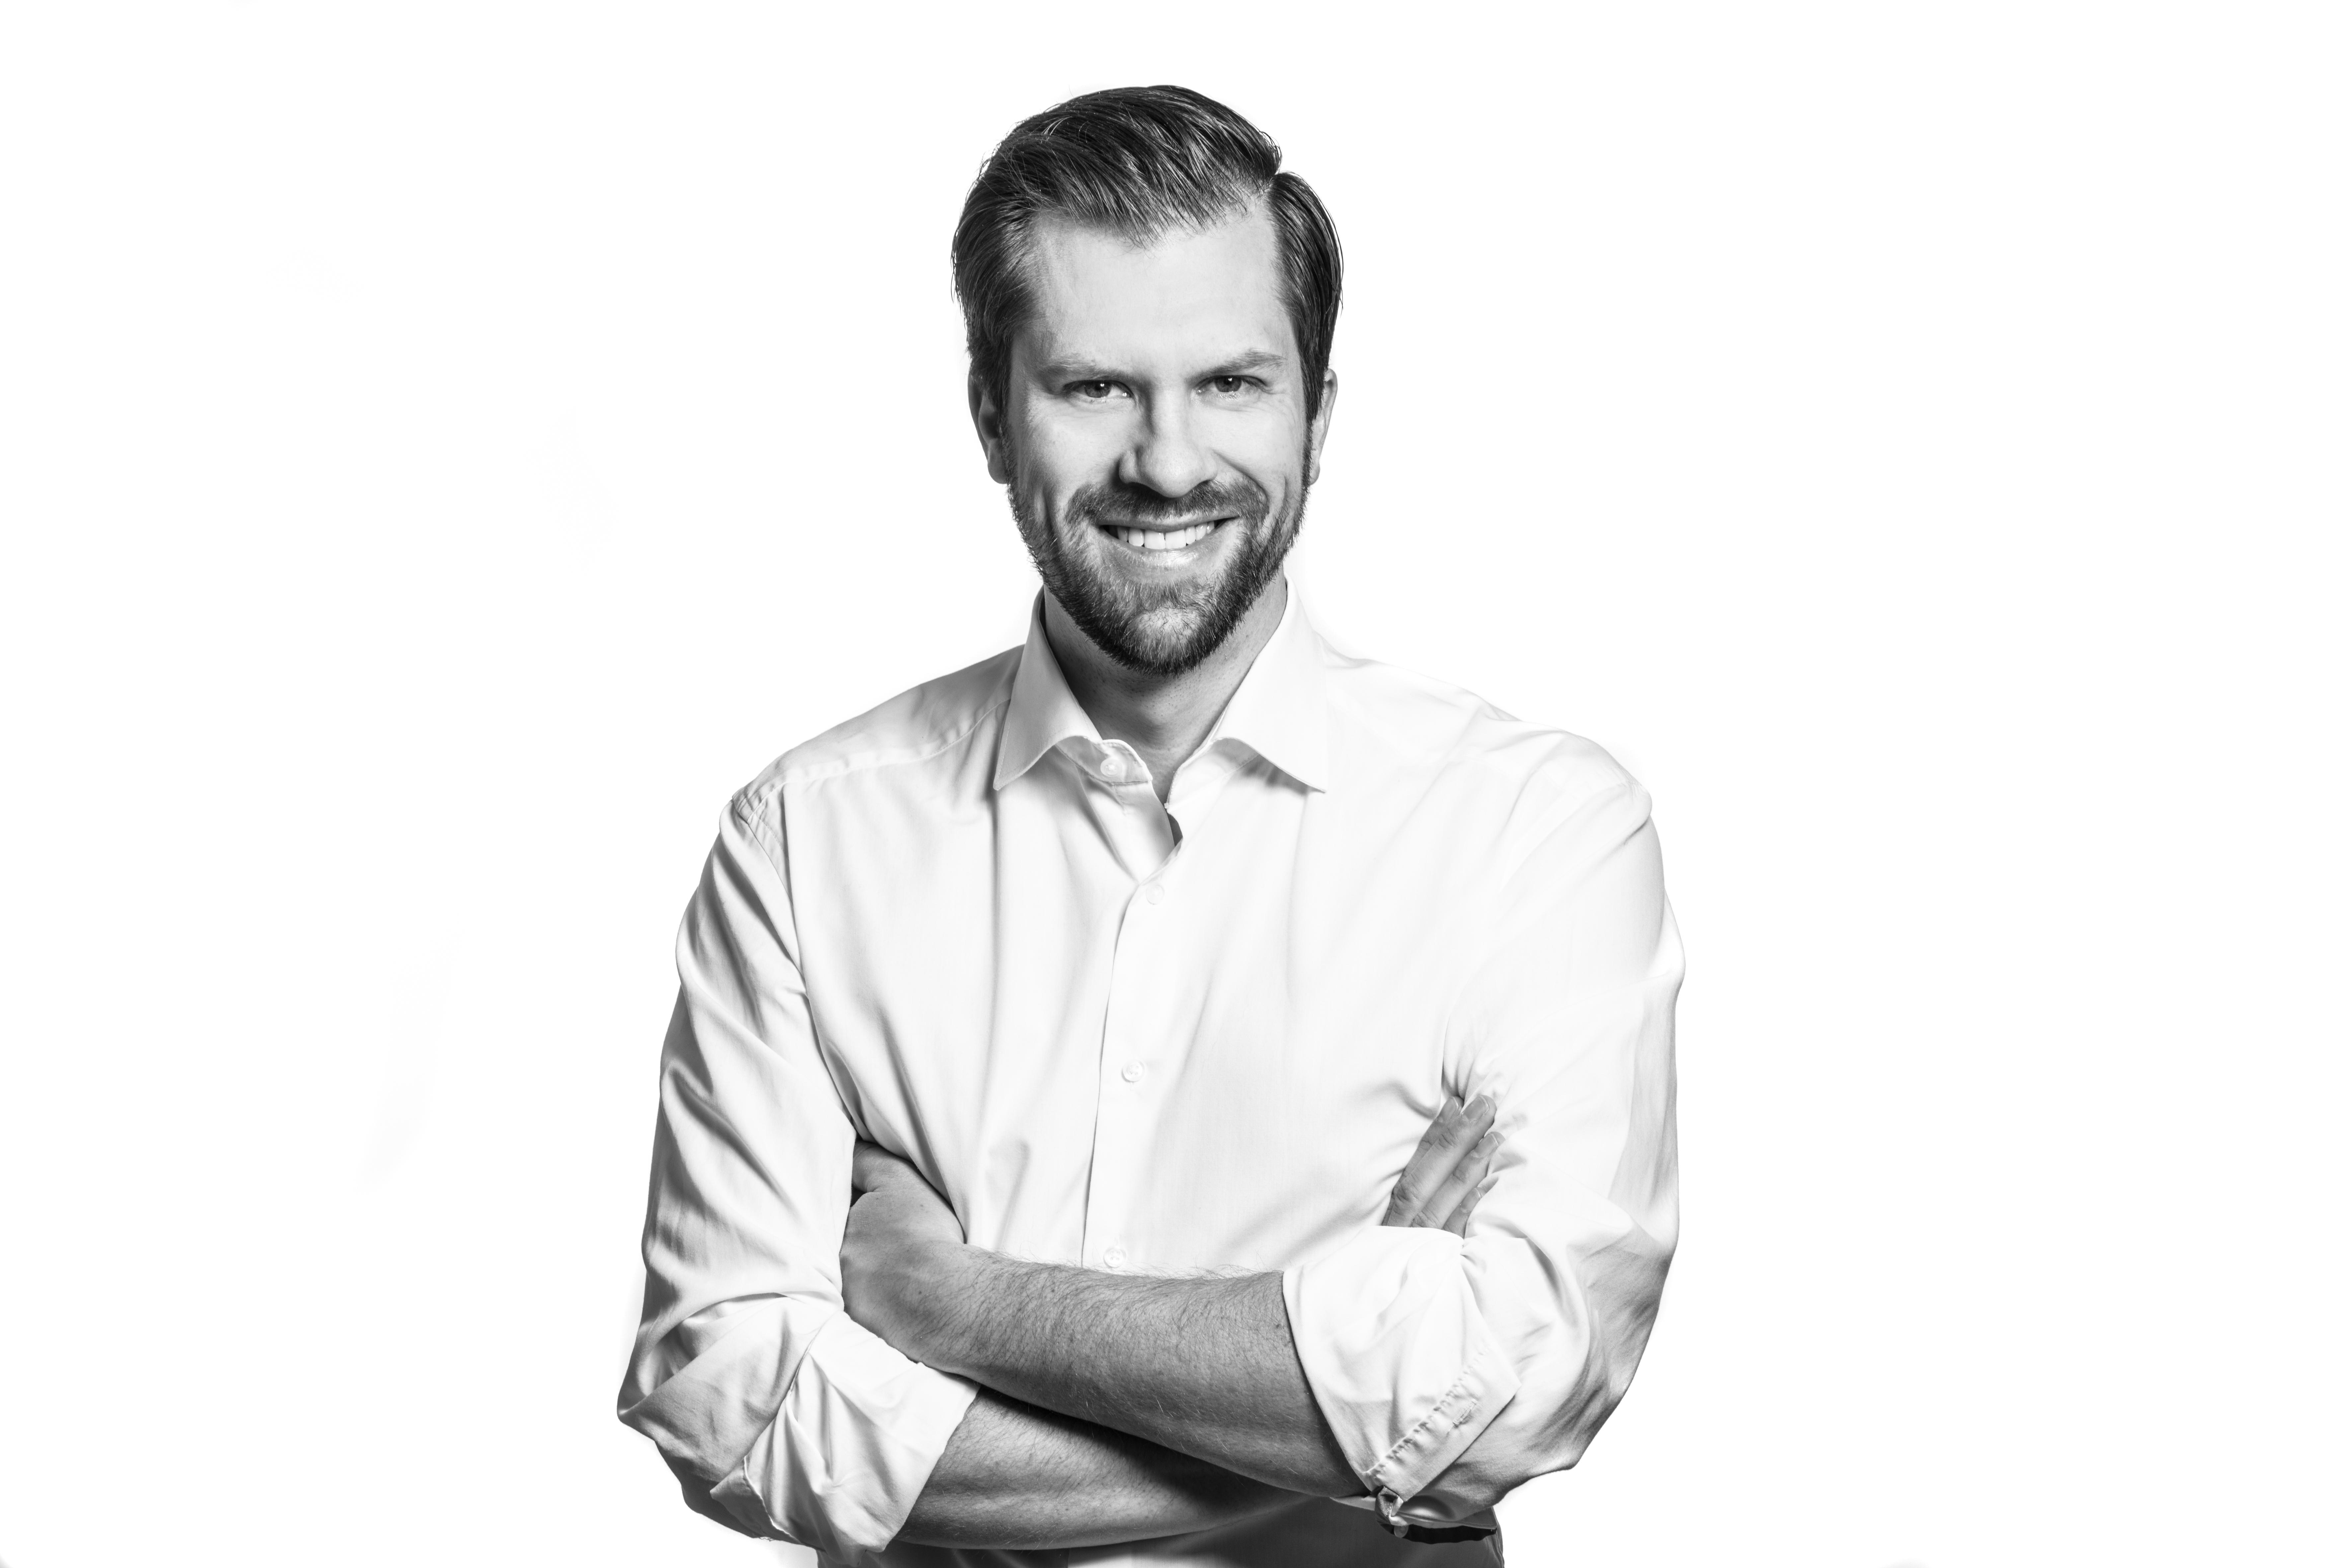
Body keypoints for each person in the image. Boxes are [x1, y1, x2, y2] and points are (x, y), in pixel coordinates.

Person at [618, 85, 1682, 1567]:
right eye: (1096, 388)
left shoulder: (1533, 835)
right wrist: (1349, 1400)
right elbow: (728, 1394)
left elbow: (1521, 1380)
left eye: (1232, 383)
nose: (1169, 463)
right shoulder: (804, 844)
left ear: (1319, 412)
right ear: (991, 415)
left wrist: (948, 1305)